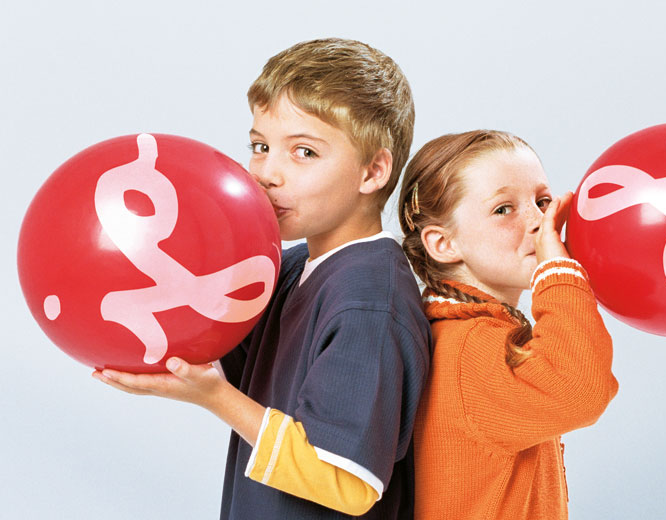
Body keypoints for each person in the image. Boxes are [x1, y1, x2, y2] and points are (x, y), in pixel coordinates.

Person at [94, 38, 431, 519]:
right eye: (260, 146)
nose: (268, 173)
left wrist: (215, 398)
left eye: (304, 152)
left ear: (372, 171)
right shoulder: (289, 266)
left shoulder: (370, 302)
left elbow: (346, 484)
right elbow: (220, 354)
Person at [398, 130, 619, 519]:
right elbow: (579, 389)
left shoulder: (464, 333)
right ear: (444, 243)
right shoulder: (470, 350)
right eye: (503, 209)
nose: (538, 221)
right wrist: (557, 271)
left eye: (542, 201)